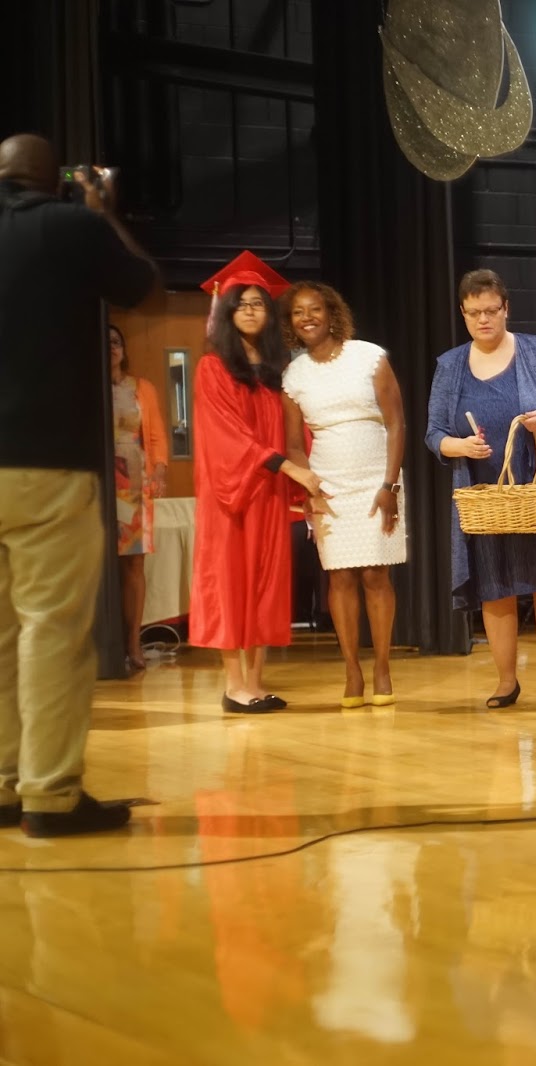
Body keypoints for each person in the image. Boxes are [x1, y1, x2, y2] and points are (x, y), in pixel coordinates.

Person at [0, 133, 156, 835]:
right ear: (51, 177)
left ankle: (3, 784)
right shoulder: (71, 224)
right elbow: (141, 285)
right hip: (44, 461)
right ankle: (50, 796)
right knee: (52, 632)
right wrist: (102, 209)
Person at [425, 269, 536, 708]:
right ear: (463, 313)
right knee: (495, 585)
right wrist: (459, 446)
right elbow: (433, 433)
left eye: (491, 311)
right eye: (473, 313)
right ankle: (505, 681)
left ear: (506, 308)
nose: (483, 320)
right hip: (483, 493)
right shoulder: (450, 365)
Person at [190, 251, 327, 714]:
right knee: (234, 583)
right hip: (233, 496)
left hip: (266, 494)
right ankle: (233, 686)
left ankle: (255, 682)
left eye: (259, 303)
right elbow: (229, 437)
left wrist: (302, 469)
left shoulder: (275, 374)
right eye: (242, 303)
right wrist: (289, 470)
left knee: (266, 583)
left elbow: (293, 431)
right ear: (227, 313)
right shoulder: (213, 368)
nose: (251, 310)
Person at [281, 282, 407, 709]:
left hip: (376, 478)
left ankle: (383, 666)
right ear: (291, 323)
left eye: (314, 309)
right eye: (298, 313)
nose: (307, 317)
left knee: (375, 573)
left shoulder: (369, 356)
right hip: (329, 483)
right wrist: (309, 485)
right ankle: (351, 667)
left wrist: (390, 486)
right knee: (339, 576)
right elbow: (294, 444)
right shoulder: (294, 375)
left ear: (332, 313)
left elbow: (396, 423)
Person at [108, 322, 170, 671]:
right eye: (104, 343)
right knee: (100, 565)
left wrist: (160, 470)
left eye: (116, 341)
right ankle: (106, 643)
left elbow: (158, 438)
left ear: (124, 349)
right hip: (99, 487)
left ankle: (133, 643)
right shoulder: (85, 387)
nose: (111, 347)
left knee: (133, 564)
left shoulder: (141, 388)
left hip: (133, 484)